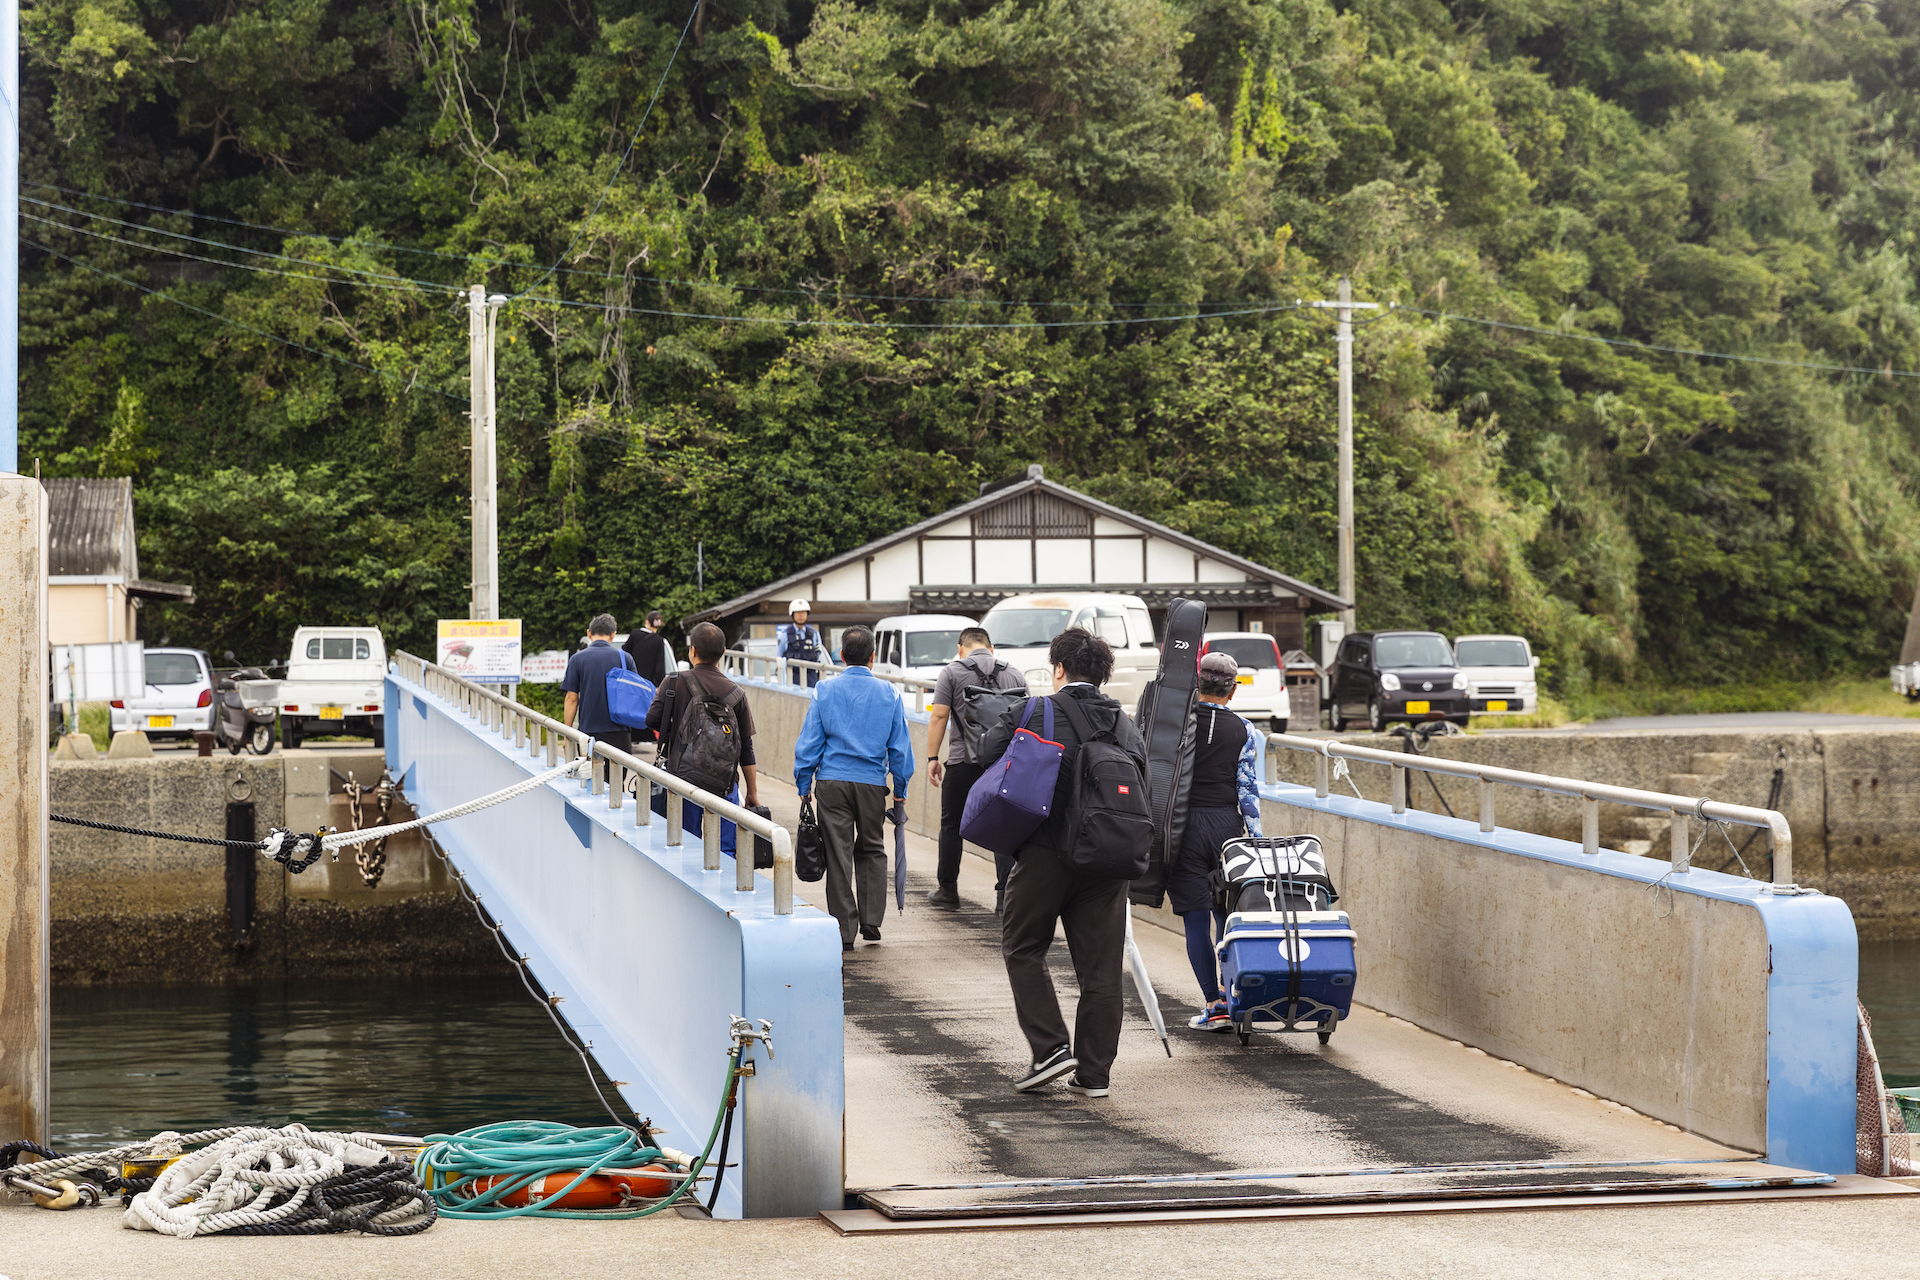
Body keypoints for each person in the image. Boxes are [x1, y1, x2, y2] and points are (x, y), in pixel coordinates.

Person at [975, 627, 1146, 1099]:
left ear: (1058, 669)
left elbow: (986, 754)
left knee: (1023, 946)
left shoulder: (1033, 710)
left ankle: (1050, 1048)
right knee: (1101, 970)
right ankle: (1093, 1075)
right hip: (1108, 858)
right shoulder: (1122, 722)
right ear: (1103, 675)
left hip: (1046, 852)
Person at [793, 625, 915, 952]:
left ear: (842, 656)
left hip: (832, 783)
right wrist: (899, 787)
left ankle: (844, 931)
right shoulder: (889, 694)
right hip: (873, 784)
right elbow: (900, 750)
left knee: (838, 853)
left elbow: (809, 743)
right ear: (873, 657)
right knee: (872, 848)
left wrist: (804, 783)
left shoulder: (824, 690)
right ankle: (871, 920)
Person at [1169, 650, 1265, 1032]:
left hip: (1183, 827)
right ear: (1233, 690)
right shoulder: (1245, 730)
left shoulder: (1177, 724)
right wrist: (1255, 841)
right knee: (1227, 917)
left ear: (1197, 684)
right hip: (1227, 829)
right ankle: (1236, 995)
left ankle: (1214, 1004)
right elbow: (1248, 791)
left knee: (1195, 919)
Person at [925, 627, 1028, 910]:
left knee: (951, 826)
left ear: (961, 648)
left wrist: (932, 758)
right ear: (991, 649)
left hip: (963, 762)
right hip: (1002, 765)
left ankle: (948, 891)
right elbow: (1027, 722)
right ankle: (1005, 896)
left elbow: (939, 717)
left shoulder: (952, 673)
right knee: (1004, 827)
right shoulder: (1015, 675)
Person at [645, 622, 761, 846]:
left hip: (682, 780)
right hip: (724, 783)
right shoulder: (737, 693)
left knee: (684, 844)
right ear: (723, 652)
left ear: (693, 651)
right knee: (726, 848)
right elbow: (746, 747)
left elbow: (651, 720)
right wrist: (752, 792)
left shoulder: (673, 682)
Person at [561, 614, 640, 752]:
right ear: (613, 635)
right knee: (618, 773)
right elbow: (634, 694)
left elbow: (572, 699)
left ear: (589, 633)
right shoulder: (625, 658)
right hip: (620, 731)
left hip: (588, 732)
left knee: (591, 772)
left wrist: (567, 734)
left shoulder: (577, 659)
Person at [777, 599, 827, 689]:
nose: (801, 615)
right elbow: (780, 657)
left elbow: (818, 654)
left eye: (804, 612)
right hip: (793, 676)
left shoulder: (814, 634)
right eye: (798, 612)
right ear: (792, 614)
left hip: (811, 675)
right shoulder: (785, 635)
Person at [623, 609, 672, 686]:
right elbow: (659, 665)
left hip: (631, 680)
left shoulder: (635, 634)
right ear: (660, 624)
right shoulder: (659, 641)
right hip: (648, 684)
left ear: (647, 621)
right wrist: (659, 684)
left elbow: (625, 652)